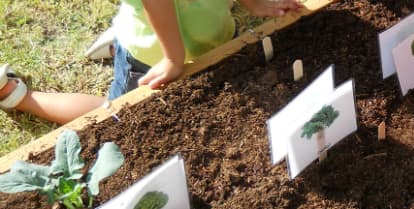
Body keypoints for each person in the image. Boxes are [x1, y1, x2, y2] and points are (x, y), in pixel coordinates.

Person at [1, 0, 303, 125]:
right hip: (152, 59)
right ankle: (23, 97)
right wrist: (173, 57)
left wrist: (254, 2)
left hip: (212, 34)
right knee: (115, 118)